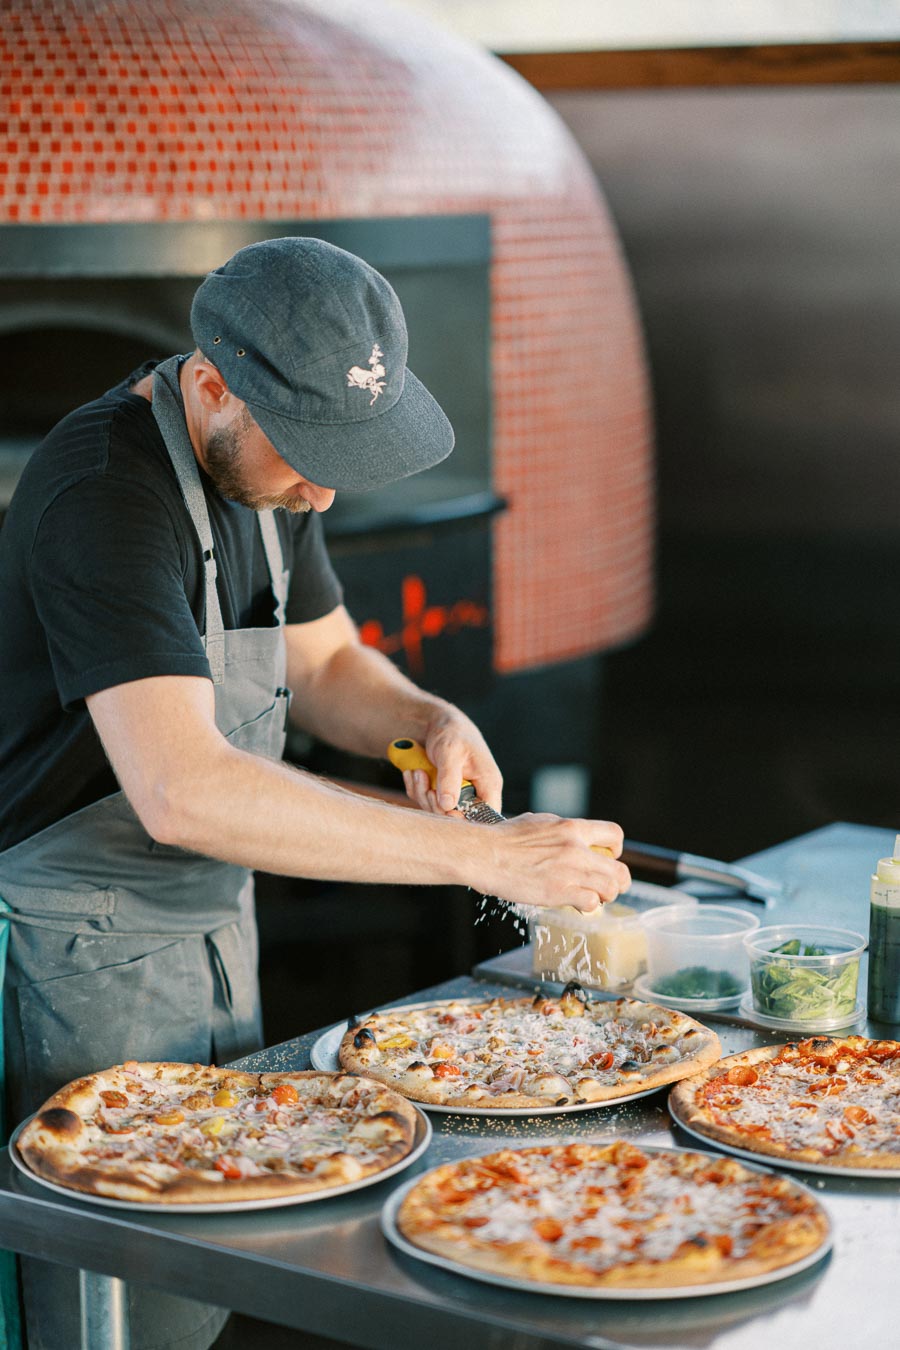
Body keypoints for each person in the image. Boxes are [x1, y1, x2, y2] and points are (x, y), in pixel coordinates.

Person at [0, 236, 630, 1349]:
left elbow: (328, 665)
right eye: (309, 453)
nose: (326, 486)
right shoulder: (105, 494)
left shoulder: (267, 459)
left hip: (199, 923)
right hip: (66, 949)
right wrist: (490, 858)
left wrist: (423, 717)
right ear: (211, 387)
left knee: (205, 1276)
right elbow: (182, 790)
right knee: (110, 1304)